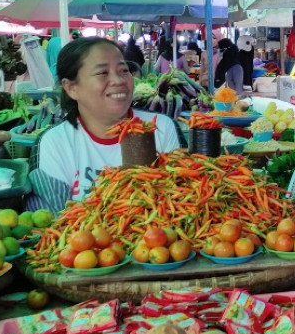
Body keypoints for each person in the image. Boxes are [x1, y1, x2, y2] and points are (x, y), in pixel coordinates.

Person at [28, 38, 181, 212]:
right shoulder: (55, 142)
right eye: (102, 73)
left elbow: (184, 201)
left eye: (124, 70)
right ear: (71, 88)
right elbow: (53, 221)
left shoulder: (160, 127)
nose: (119, 80)